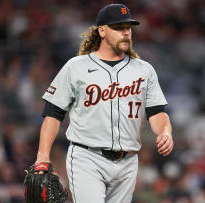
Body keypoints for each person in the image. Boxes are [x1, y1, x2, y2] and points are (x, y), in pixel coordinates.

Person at [35, 3, 174, 203]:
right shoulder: (77, 67)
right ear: (102, 30)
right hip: (87, 157)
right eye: (119, 28)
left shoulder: (144, 70)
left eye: (128, 28)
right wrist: (43, 156)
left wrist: (165, 132)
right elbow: (53, 113)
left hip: (128, 161)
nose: (126, 32)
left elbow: (157, 113)